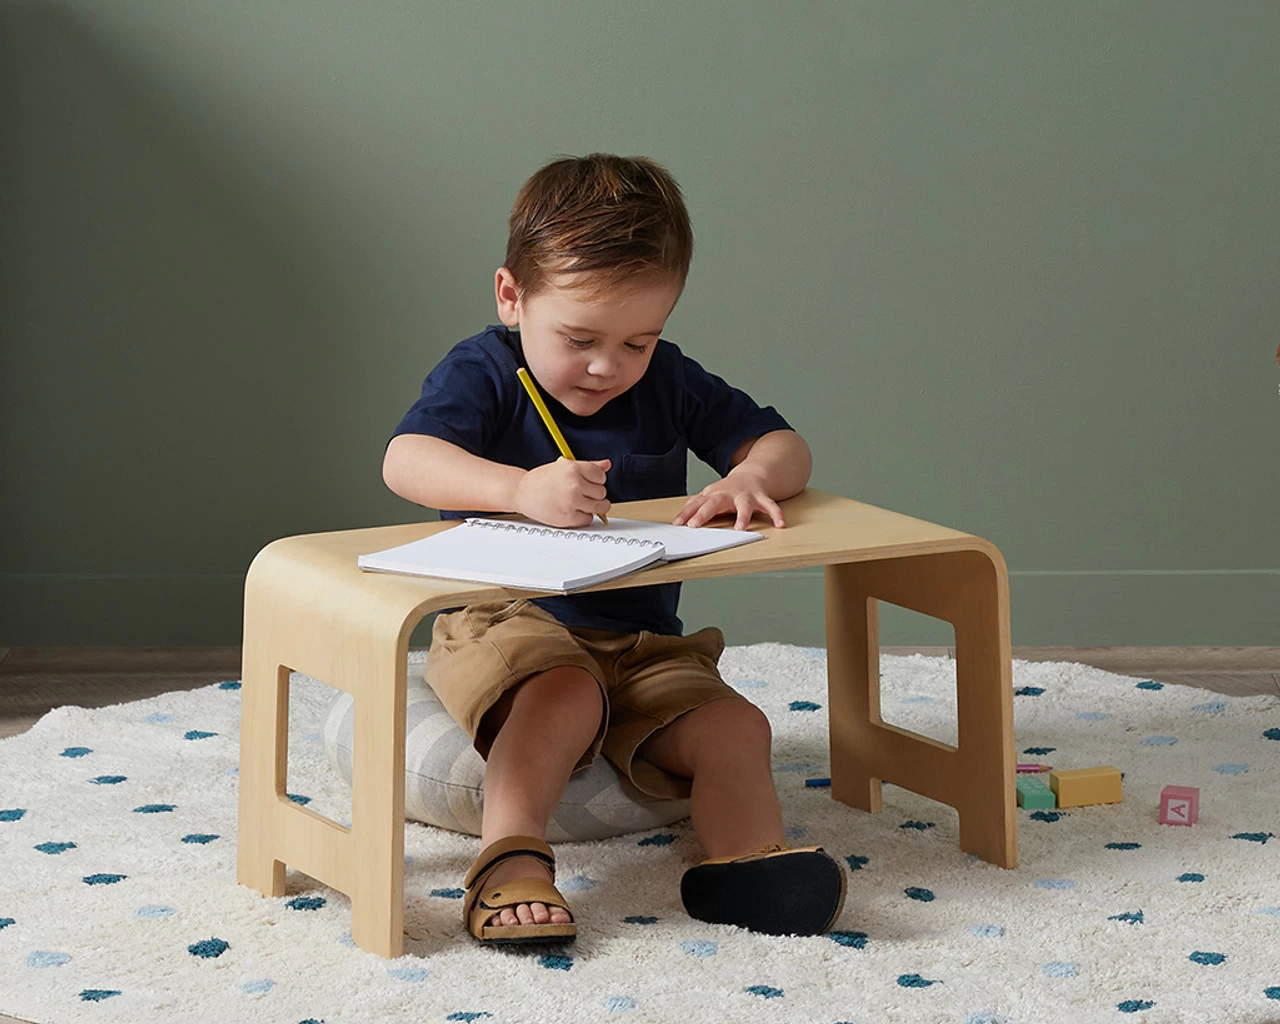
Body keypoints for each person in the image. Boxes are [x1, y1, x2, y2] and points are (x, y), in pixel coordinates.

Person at [381, 153, 845, 945]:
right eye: (580, 338)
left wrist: (751, 476)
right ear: (510, 297)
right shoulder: (485, 369)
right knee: (565, 692)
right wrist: (519, 490)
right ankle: (509, 860)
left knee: (738, 729)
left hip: (641, 641)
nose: (608, 366)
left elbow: (784, 444)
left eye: (638, 341)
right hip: (507, 622)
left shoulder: (663, 379)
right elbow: (406, 461)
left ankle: (750, 867)